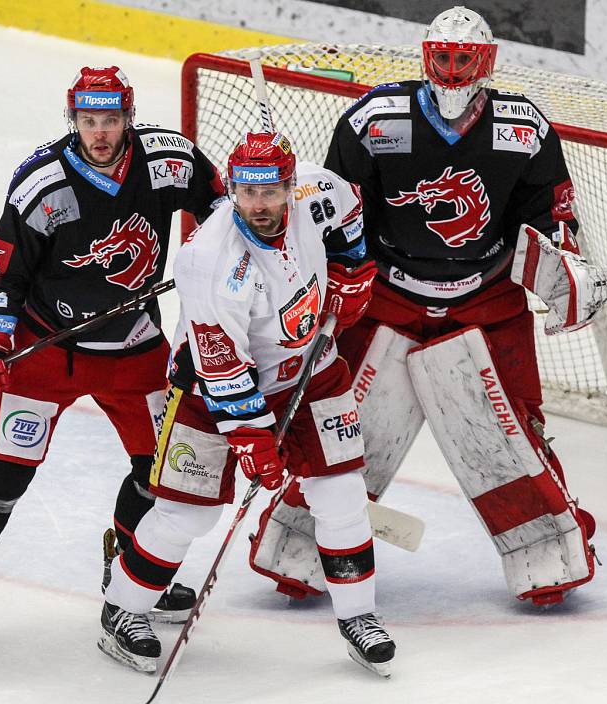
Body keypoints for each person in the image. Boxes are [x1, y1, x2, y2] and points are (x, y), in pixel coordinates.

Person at [249, 6, 607, 607]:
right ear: (425, 56)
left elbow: (551, 215)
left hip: (488, 298)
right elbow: (338, 211)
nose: (451, 70)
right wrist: (327, 276)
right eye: (441, 57)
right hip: (387, 294)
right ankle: (301, 549)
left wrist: (565, 263)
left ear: (486, 62)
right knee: (344, 423)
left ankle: (553, 553)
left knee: (514, 428)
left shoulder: (524, 128)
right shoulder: (375, 119)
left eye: (463, 58)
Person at [0, 66, 226, 657]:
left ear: (128, 118)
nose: (101, 133)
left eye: (111, 120)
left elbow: (223, 206)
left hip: (134, 347)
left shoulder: (170, 160)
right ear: (73, 120)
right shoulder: (43, 183)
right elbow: (0, 271)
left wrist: (220, 258)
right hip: (46, 347)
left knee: (164, 477)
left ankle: (130, 584)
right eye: (89, 120)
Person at [99, 131, 396, 677]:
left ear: (290, 186)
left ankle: (359, 617)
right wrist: (255, 440)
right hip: (212, 392)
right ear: (231, 188)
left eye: (270, 192)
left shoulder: (316, 190)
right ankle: (122, 609)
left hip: (311, 370)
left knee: (342, 492)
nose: (258, 206)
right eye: (245, 192)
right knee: (189, 514)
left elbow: (351, 215)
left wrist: (353, 271)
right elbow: (224, 369)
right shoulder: (209, 261)